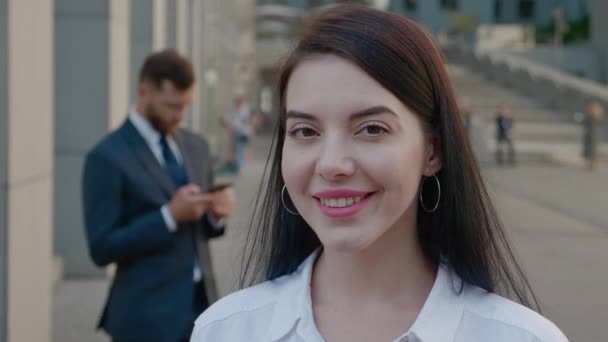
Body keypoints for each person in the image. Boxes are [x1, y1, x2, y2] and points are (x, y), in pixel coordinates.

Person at [191, 5, 567, 342]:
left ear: (432, 151)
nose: (331, 164)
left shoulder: (520, 337)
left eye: (371, 128)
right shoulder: (225, 330)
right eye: (305, 131)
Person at [82, 49, 235, 342]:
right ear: (144, 92)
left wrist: (215, 213)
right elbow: (101, 248)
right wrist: (168, 217)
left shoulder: (196, 146)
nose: (179, 115)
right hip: (144, 319)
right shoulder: (106, 157)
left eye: (185, 106)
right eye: (171, 105)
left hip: (201, 309)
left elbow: (200, 230)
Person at [220, 96, 253, 174]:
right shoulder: (239, 111)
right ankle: (236, 167)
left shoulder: (244, 111)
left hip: (241, 133)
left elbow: (243, 123)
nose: (235, 105)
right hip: (238, 133)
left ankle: (237, 168)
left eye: (236, 103)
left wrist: (232, 126)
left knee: (239, 151)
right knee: (237, 151)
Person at [582, 100, 604, 171]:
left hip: (593, 132)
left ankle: (593, 163)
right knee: (590, 148)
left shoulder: (595, 112)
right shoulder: (590, 112)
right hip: (590, 132)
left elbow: (597, 120)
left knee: (592, 148)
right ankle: (590, 163)